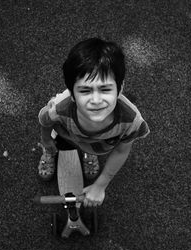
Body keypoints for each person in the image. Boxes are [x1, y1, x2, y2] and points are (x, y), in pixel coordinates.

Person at [38, 37, 150, 207]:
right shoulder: (58, 109)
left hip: (98, 143)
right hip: (67, 134)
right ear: (72, 93)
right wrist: (46, 140)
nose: (96, 100)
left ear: (120, 89)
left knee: (91, 147)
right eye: (85, 90)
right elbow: (45, 121)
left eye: (105, 89)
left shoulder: (131, 121)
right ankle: (50, 151)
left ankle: (89, 152)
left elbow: (121, 151)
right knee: (58, 143)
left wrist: (100, 185)